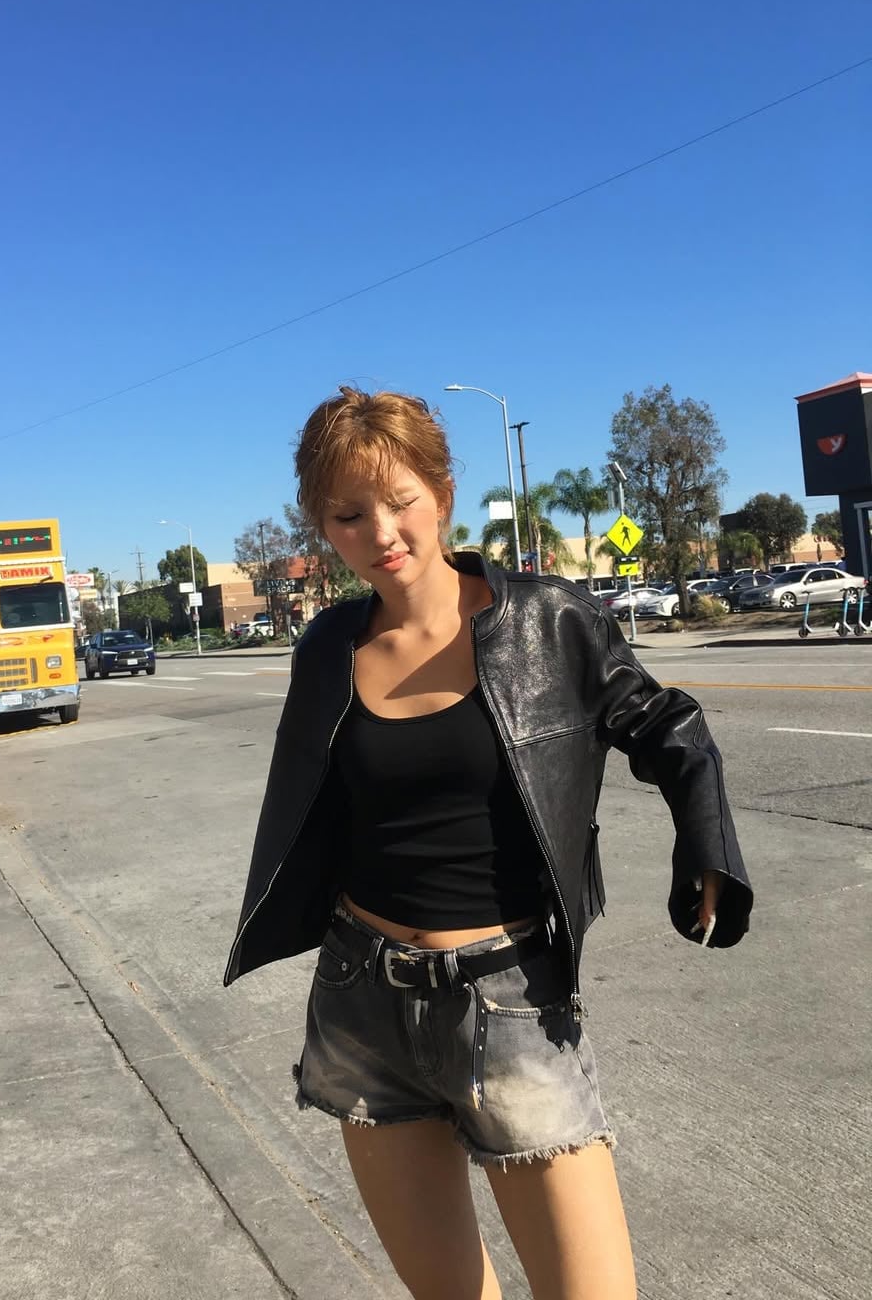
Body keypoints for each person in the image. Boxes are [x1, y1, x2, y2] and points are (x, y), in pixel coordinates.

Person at [224, 387, 753, 1300]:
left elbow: (666, 722)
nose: (381, 533)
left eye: (401, 502)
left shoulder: (551, 620)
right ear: (323, 526)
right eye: (348, 516)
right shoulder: (327, 649)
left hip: (512, 1002)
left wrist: (705, 840)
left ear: (442, 494)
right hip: (363, 1002)